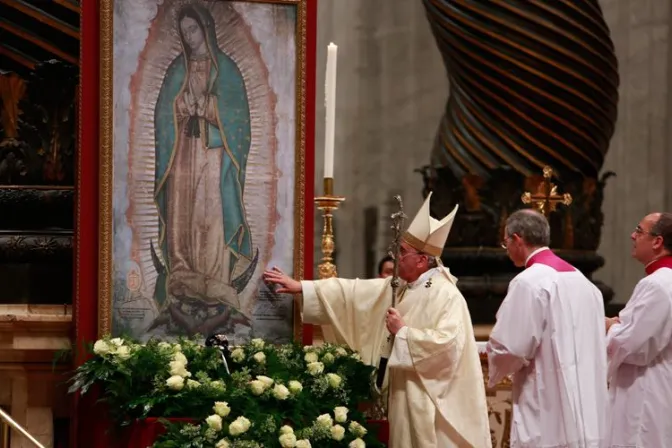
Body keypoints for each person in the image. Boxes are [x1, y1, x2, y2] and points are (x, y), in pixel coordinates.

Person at [263, 192, 491, 448]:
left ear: (422, 260)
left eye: (402, 252)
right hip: (405, 393)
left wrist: (403, 333)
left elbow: (448, 347)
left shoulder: (446, 295)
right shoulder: (405, 286)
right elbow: (356, 293)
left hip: (429, 400)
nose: (395, 257)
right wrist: (303, 288)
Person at [486, 209, 608, 448]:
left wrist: (496, 363)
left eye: (506, 243)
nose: (507, 249)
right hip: (587, 403)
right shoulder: (586, 284)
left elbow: (511, 347)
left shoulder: (528, 282)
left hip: (545, 401)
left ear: (517, 239)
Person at [605, 212, 672, 448]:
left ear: (657, 241)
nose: (633, 235)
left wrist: (610, 327)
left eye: (639, 231)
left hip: (645, 392)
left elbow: (634, 346)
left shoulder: (657, 284)